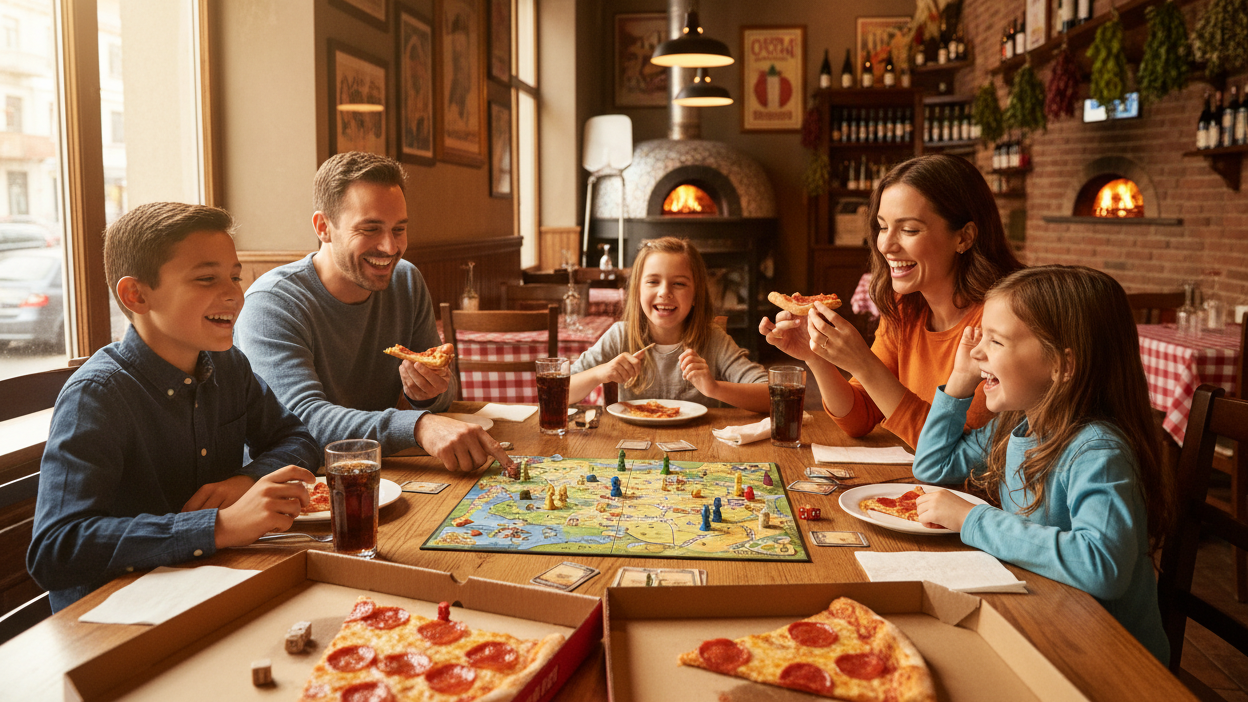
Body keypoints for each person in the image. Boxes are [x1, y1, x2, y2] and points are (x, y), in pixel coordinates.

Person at [27, 203, 321, 612]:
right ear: (137, 295)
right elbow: (56, 549)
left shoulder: (228, 364)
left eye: (235, 277)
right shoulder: (96, 395)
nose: (234, 294)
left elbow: (297, 437)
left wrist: (247, 480)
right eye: (206, 279)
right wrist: (217, 526)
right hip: (111, 621)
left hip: (210, 589)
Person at [912, 266, 1172, 662]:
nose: (977, 352)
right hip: (1044, 624)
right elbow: (932, 466)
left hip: (1113, 660)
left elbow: (1102, 565)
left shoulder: (1097, 451)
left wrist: (972, 521)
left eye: (995, 342)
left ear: (1062, 365)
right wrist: (961, 380)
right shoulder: (1017, 424)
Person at [234, 152, 511, 473]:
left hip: (376, 470)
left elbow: (447, 391)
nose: (390, 247)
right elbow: (301, 419)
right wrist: (420, 425)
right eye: (370, 229)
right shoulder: (272, 302)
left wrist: (429, 393)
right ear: (323, 227)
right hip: (289, 483)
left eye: (399, 229)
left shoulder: (406, 280)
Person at [761, 154, 1024, 448]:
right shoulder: (905, 306)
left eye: (909, 229)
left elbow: (958, 451)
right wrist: (815, 355)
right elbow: (859, 417)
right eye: (883, 227)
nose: (885, 245)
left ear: (964, 237)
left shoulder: (1005, 321)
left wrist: (864, 363)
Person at [569, 237, 769, 412]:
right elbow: (561, 391)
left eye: (679, 284)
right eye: (653, 282)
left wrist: (714, 388)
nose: (665, 292)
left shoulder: (713, 339)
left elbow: (771, 396)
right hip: (635, 448)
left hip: (699, 448)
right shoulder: (620, 335)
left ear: (695, 295)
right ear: (638, 291)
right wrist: (599, 373)